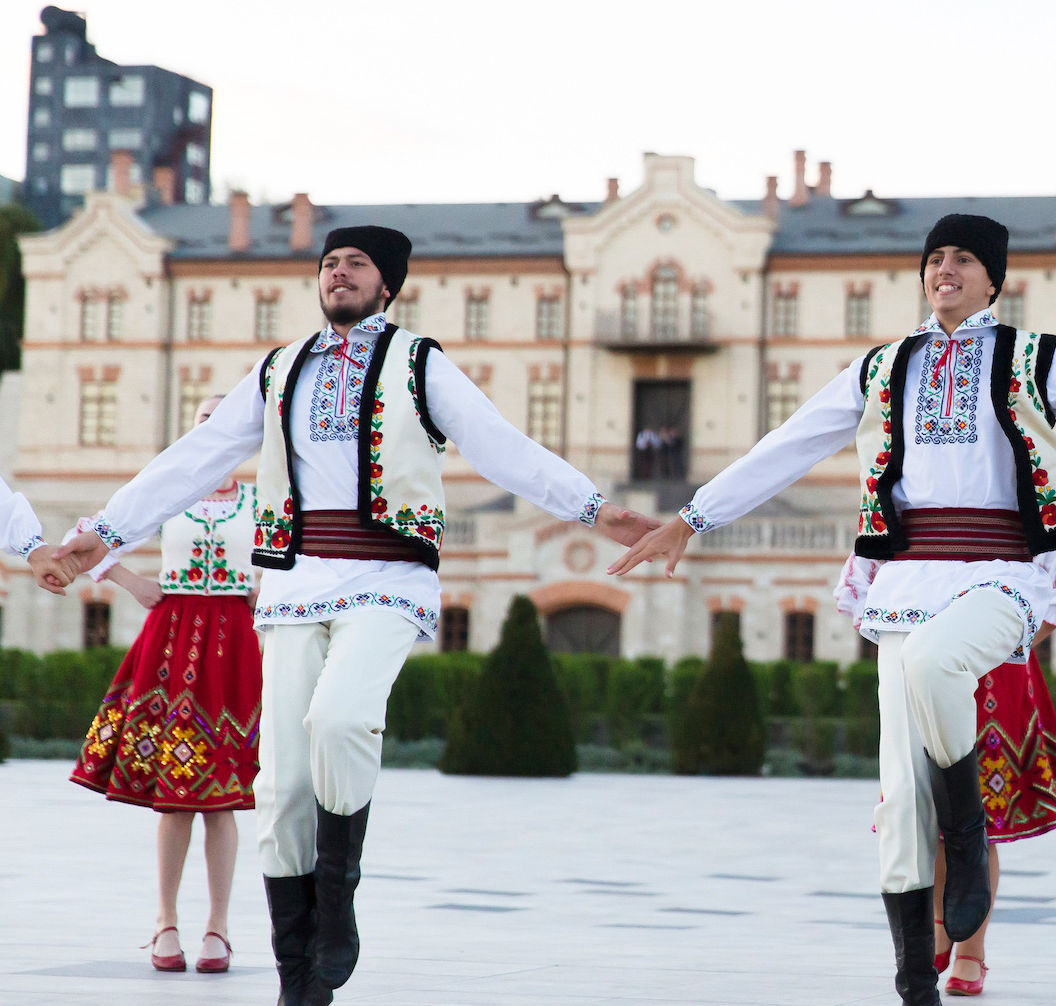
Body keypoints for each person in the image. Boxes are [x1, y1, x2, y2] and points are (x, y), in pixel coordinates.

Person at [608, 213, 1056, 1005]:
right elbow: (788, 444)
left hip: (1005, 573)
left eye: (963, 259)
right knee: (897, 797)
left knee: (933, 664)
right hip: (906, 580)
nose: (945, 269)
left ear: (994, 278)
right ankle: (911, 981)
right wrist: (691, 520)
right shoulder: (883, 367)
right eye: (934, 258)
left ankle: (967, 823)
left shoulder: (1036, 358)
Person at [52, 225, 654, 1006]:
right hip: (296, 585)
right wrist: (99, 532)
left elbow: (500, 445)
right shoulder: (277, 370)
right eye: (329, 263)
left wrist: (594, 509)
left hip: (388, 575)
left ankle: (338, 907)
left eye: (355, 264)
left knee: (339, 721)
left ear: (388, 284)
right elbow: (191, 461)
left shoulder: (419, 363)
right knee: (280, 790)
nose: (338, 273)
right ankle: (300, 978)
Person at [834, 545, 1056, 996]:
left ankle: (971, 949)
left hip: (996, 672)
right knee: (925, 809)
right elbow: (860, 585)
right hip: (918, 671)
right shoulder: (903, 499)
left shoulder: (1025, 498)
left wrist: (1010, 639)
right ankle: (937, 932)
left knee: (979, 817)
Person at [69, 395, 261, 974]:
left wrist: (265, 589)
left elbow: (297, 555)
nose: (212, 430)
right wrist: (132, 581)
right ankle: (165, 920)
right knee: (175, 795)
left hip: (232, 642)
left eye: (222, 422)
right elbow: (91, 535)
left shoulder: (261, 497)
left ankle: (218, 928)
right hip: (173, 637)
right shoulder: (164, 490)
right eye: (204, 420)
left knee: (221, 797)